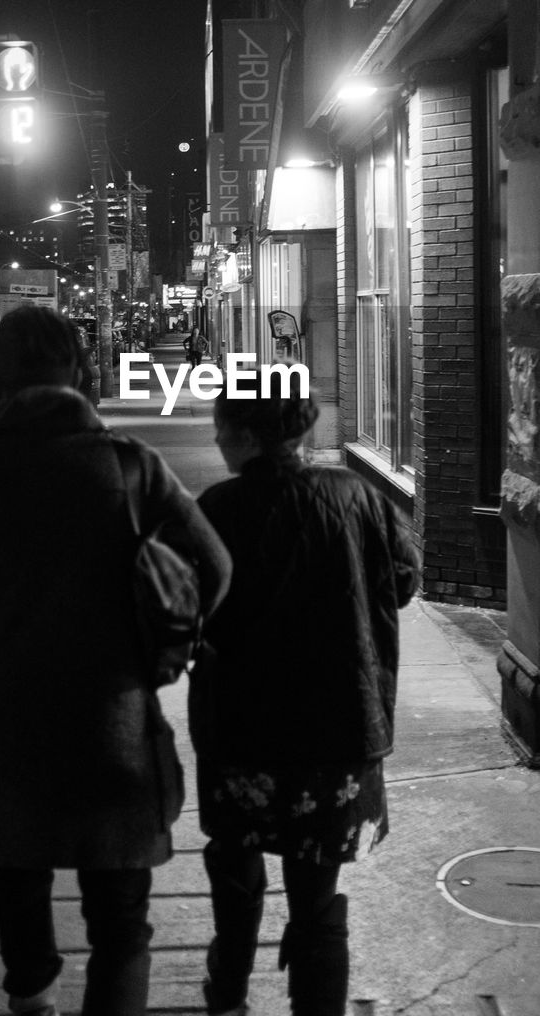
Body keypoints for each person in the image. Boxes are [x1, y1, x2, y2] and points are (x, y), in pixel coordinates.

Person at [0, 305, 231, 1016]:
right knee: (120, 923)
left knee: (18, 873)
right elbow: (214, 564)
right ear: (78, 372)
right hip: (116, 729)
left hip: (4, 729)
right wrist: (170, 651)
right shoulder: (129, 466)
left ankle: (32, 992)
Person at [189, 372, 420, 1016]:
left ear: (243, 434)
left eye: (221, 428)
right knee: (316, 893)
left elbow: (183, 609)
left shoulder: (217, 508)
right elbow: (401, 582)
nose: (217, 440)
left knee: (234, 871)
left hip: (242, 727)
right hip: (337, 727)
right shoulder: (358, 496)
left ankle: (227, 996)